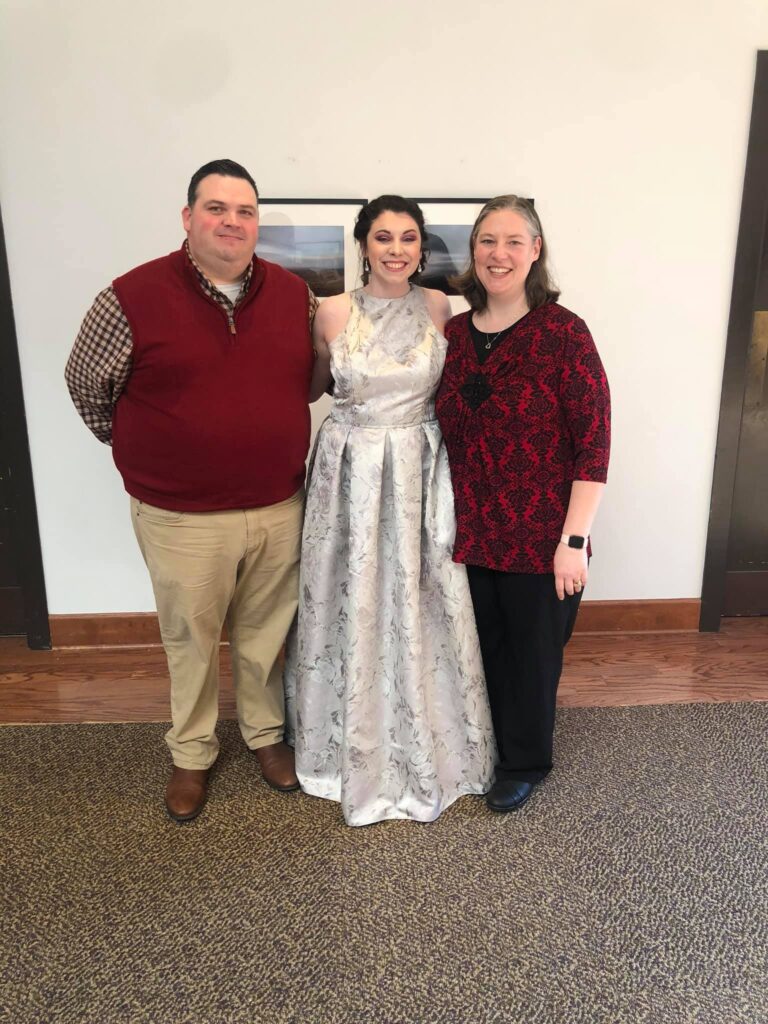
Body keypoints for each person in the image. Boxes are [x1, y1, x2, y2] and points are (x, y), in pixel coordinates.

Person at [66, 159, 316, 823]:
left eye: (245, 211)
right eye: (216, 208)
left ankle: (265, 735)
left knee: (265, 635)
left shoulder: (295, 295)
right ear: (188, 217)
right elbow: (86, 385)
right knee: (191, 641)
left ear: (257, 223)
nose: (232, 221)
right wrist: (147, 450)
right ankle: (193, 751)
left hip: (278, 505)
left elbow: (304, 381)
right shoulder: (130, 296)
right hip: (181, 516)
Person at [284, 195, 496, 826]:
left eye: (408, 237)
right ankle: (343, 746)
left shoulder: (440, 307)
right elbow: (312, 388)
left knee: (424, 596)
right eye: (384, 237)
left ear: (421, 246)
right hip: (349, 469)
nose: (397, 249)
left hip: (420, 468)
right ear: (364, 244)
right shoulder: (330, 311)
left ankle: (431, 738)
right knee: (348, 593)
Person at [435, 195, 611, 813]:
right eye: (487, 241)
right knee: (483, 653)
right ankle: (488, 747)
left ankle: (526, 763)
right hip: (470, 530)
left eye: (514, 241)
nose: (499, 254)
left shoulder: (565, 334)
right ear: (473, 251)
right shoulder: (454, 335)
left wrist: (574, 541)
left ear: (535, 251)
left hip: (543, 538)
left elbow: (594, 444)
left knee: (531, 662)